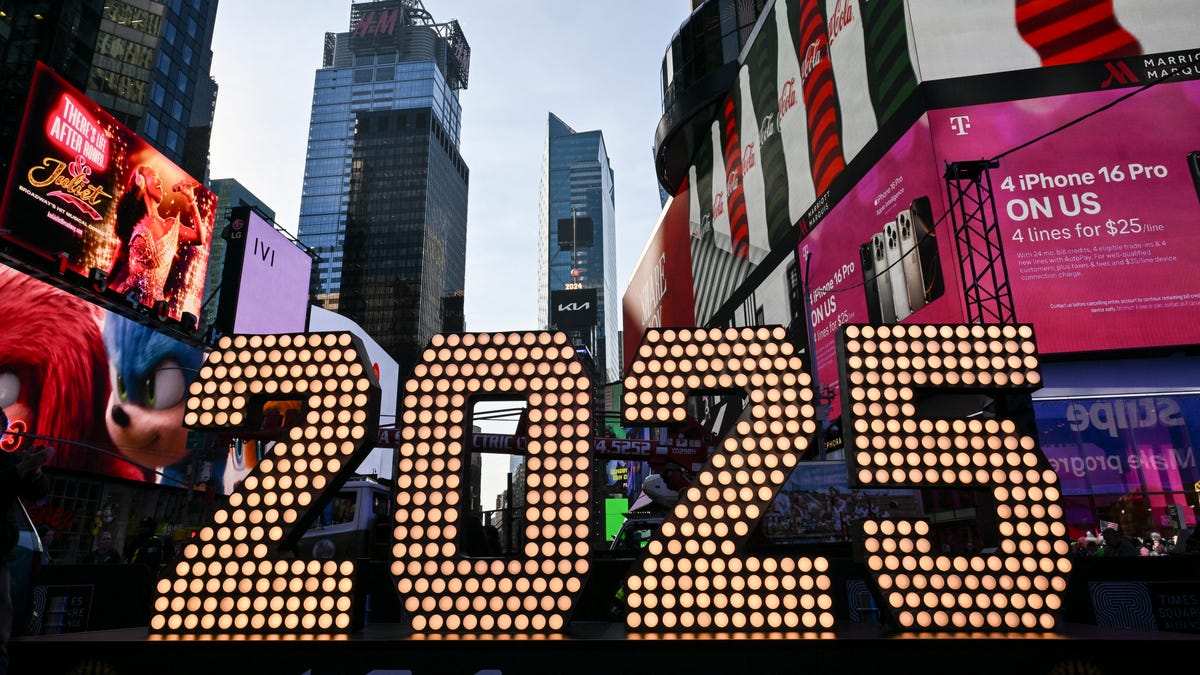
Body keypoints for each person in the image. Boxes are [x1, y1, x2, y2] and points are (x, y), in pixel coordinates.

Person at [108, 164, 208, 307]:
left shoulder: (171, 225)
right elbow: (113, 268)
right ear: (141, 181)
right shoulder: (133, 224)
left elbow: (200, 238)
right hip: (126, 300)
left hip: (154, 308)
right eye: (154, 176)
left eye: (160, 178)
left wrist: (191, 198)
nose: (160, 181)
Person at [1, 409, 51, 675]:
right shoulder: (9, 465)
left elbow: (36, 491)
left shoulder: (6, 460)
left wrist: (35, 469)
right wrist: (24, 467)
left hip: (2, 555)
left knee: (2, 625)